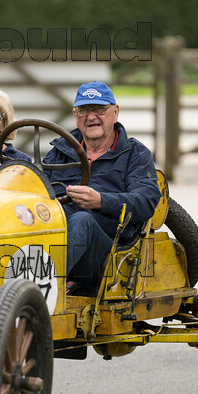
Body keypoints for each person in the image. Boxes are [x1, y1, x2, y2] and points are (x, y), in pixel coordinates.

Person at [42, 81, 160, 287]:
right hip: (54, 240)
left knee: (82, 220)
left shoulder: (135, 154)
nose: (91, 117)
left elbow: (146, 201)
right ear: (75, 115)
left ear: (115, 112)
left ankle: (36, 289)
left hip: (109, 259)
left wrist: (101, 201)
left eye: (98, 109)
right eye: (84, 110)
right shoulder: (60, 151)